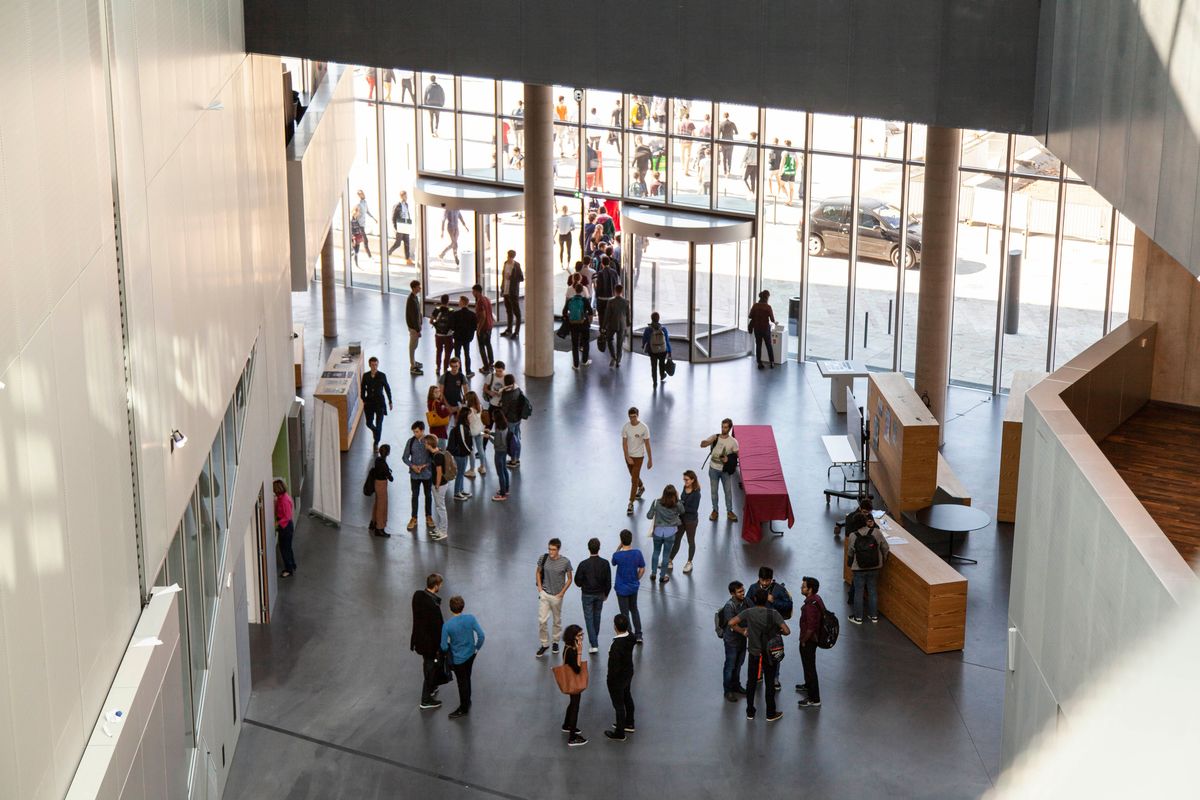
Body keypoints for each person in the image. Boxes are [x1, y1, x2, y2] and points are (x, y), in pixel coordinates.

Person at [729, 585, 790, 722]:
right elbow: (787, 631)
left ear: (755, 599)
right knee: (769, 683)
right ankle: (770, 713)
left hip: (754, 653)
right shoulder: (773, 613)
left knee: (751, 682)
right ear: (767, 599)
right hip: (769, 654)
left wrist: (743, 631)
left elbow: (732, 622)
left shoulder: (749, 612)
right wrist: (775, 632)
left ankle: (750, 712)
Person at [441, 595, 485, 719]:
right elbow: (481, 635)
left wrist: (449, 648)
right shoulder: (470, 619)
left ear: (450, 609)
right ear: (463, 607)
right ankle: (468, 700)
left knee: (462, 682)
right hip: (471, 655)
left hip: (458, 659)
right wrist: (476, 649)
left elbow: (443, 646)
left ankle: (463, 708)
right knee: (467, 677)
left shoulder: (447, 626)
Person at [847, 514, 890, 624]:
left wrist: (850, 563)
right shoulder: (876, 532)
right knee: (872, 591)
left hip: (859, 568)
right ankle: (874, 616)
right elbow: (885, 547)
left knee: (859, 592)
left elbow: (850, 552)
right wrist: (883, 559)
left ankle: (858, 618)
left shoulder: (853, 535)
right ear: (865, 521)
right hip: (875, 567)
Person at [411, 573, 445, 710]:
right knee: (430, 668)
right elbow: (437, 629)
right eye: (440, 584)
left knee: (427, 664)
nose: (441, 587)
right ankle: (426, 699)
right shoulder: (433, 607)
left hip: (419, 639)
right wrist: (440, 647)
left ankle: (432, 687)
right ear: (436, 586)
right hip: (429, 644)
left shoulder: (418, 596)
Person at [535, 538, 573, 657]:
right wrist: (540, 589)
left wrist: (562, 592)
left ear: (558, 549)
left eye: (553, 550)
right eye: (549, 549)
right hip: (545, 594)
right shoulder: (543, 558)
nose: (551, 552)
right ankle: (545, 643)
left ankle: (555, 641)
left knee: (557, 620)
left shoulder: (565, 562)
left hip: (557, 596)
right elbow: (538, 572)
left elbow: (570, 578)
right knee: (542, 620)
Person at [574, 537, 611, 654]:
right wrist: (606, 594)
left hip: (587, 594)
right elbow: (608, 582)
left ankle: (594, 643)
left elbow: (577, 581)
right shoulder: (605, 563)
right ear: (599, 548)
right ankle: (594, 638)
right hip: (600, 594)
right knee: (597, 616)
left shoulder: (583, 564)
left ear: (588, 549)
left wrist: (583, 584)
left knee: (589, 618)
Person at [604, 614, 636, 741]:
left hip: (617, 678)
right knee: (627, 696)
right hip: (628, 672)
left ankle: (620, 732)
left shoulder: (616, 645)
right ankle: (629, 723)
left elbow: (613, 667)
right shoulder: (631, 637)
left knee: (618, 705)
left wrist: (610, 680)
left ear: (615, 626)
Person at [701, 419, 740, 522]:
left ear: (730, 428)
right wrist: (708, 441)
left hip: (725, 471)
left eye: (726, 427)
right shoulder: (715, 437)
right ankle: (715, 511)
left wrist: (728, 459)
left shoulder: (733, 442)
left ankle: (729, 511)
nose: (723, 429)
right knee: (714, 492)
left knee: (728, 492)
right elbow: (703, 444)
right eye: (722, 426)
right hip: (713, 469)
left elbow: (737, 456)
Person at [610, 530, 645, 644]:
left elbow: (613, 562)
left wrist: (619, 547)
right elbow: (642, 569)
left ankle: (629, 634)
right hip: (633, 586)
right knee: (634, 609)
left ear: (621, 540)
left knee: (624, 612)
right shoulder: (637, 553)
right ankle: (639, 634)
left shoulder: (618, 555)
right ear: (631, 539)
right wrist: (637, 578)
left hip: (621, 588)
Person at [797, 576, 826, 708]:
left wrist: (803, 640)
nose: (801, 588)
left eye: (804, 586)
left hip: (809, 641)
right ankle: (808, 685)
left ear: (810, 589)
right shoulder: (817, 599)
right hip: (814, 639)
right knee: (808, 666)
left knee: (810, 668)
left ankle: (814, 699)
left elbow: (810, 627)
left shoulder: (810, 607)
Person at [401, 421, 434, 532]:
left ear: (422, 430)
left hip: (427, 474)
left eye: (417, 431)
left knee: (428, 495)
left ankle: (428, 516)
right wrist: (413, 466)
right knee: (415, 496)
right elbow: (405, 457)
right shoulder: (410, 442)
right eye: (414, 432)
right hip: (414, 475)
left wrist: (425, 466)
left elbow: (434, 457)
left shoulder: (429, 441)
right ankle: (414, 518)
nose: (415, 434)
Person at [719, 581, 750, 701]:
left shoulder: (746, 601)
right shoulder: (729, 606)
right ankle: (728, 691)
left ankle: (736, 685)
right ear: (732, 593)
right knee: (730, 666)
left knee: (738, 664)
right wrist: (743, 631)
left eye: (743, 590)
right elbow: (732, 624)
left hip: (742, 640)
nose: (743, 593)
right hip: (731, 641)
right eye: (740, 592)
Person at [646, 484, 682, 584]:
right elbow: (682, 511)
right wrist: (678, 499)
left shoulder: (656, 502)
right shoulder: (676, 504)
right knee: (666, 555)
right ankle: (662, 577)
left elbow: (649, 516)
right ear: (674, 494)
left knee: (656, 552)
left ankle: (653, 573)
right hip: (670, 533)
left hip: (657, 532)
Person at [621, 407, 652, 516]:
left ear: (637, 415)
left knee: (634, 480)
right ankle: (642, 487)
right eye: (630, 417)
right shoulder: (626, 427)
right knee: (633, 476)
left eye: (634, 416)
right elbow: (624, 444)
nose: (632, 419)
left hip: (639, 457)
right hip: (629, 457)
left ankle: (630, 503)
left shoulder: (644, 428)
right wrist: (627, 457)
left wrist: (650, 459)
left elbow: (647, 444)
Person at [560, 625, 588, 746]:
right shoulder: (572, 651)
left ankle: (567, 725)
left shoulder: (567, 647)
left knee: (572, 704)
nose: (581, 637)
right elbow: (577, 669)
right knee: (575, 706)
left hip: (569, 681)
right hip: (574, 683)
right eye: (579, 635)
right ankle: (572, 737)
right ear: (573, 637)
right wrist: (580, 653)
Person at [669, 470, 702, 573]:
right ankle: (669, 560)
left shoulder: (696, 494)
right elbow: (683, 501)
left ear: (692, 480)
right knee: (676, 539)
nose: (685, 482)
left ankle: (689, 562)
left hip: (691, 521)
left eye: (687, 480)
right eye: (684, 479)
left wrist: (680, 504)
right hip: (682, 519)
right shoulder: (685, 488)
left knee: (690, 541)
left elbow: (693, 509)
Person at [360, 356, 393, 450]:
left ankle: (376, 443)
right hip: (369, 403)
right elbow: (362, 388)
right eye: (372, 365)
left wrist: (390, 401)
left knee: (379, 424)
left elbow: (387, 388)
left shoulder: (382, 375)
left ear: (378, 364)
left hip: (380, 403)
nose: (374, 366)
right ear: (369, 365)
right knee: (369, 423)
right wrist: (364, 399)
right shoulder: (366, 376)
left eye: (376, 364)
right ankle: (375, 431)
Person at [425, 435, 450, 541]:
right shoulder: (436, 453)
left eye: (425, 443)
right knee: (439, 507)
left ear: (429, 444)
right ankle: (440, 528)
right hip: (439, 484)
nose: (424, 445)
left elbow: (439, 472)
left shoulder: (437, 456)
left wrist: (437, 485)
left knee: (441, 508)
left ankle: (443, 531)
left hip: (440, 485)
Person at [499, 374, 525, 467]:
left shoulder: (507, 394)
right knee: (516, 438)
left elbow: (504, 409)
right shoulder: (517, 389)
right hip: (518, 417)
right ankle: (517, 458)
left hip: (510, 419)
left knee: (511, 440)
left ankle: (513, 460)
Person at [369, 444, 394, 537]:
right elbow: (390, 478)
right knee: (382, 506)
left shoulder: (377, 460)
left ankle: (373, 522)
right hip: (382, 484)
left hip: (376, 483)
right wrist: (390, 475)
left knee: (377, 503)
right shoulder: (383, 464)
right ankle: (379, 528)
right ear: (388, 453)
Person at [448, 407, 474, 501]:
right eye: (470, 415)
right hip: (460, 454)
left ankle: (461, 490)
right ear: (465, 416)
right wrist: (469, 450)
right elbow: (463, 441)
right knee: (460, 473)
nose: (472, 416)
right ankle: (456, 493)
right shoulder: (462, 427)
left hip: (463, 453)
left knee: (462, 472)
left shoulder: (464, 425)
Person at [601, 284, 629, 367]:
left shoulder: (610, 301)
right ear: (622, 291)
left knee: (609, 340)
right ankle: (618, 361)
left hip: (612, 324)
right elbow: (628, 314)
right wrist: (627, 324)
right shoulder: (626, 302)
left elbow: (607, 315)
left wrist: (603, 325)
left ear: (614, 291)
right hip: (622, 325)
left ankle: (613, 356)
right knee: (619, 344)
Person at [486, 407, 511, 500]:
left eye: (493, 416)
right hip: (504, 451)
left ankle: (502, 494)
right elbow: (500, 436)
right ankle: (506, 489)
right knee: (504, 470)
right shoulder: (504, 425)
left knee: (500, 473)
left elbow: (496, 443)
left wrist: (488, 437)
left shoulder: (498, 428)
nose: (492, 418)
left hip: (499, 452)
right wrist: (491, 433)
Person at [642, 312, 672, 387]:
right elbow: (667, 341)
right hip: (662, 350)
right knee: (662, 364)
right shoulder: (663, 329)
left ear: (651, 319)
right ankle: (662, 375)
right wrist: (669, 351)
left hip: (652, 350)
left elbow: (644, 340)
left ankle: (655, 382)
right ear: (658, 319)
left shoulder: (648, 329)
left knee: (654, 366)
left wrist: (643, 346)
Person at [566, 285, 593, 369]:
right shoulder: (585, 300)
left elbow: (564, 311)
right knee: (585, 342)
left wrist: (570, 317)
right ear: (582, 291)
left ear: (574, 290)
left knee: (574, 344)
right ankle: (585, 361)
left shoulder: (570, 300)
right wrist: (589, 320)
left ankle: (576, 365)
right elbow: (591, 311)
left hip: (574, 324)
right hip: (584, 323)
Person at [273, 479, 296, 578]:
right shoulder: (283, 498)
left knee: (284, 549)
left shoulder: (284, 500)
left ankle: (288, 569)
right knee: (288, 548)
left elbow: (287, 516)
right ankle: (292, 565)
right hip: (286, 526)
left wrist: (277, 523)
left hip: (285, 527)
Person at [748, 290, 777, 369]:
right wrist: (775, 322)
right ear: (767, 297)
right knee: (769, 346)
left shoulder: (755, 305)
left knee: (758, 345)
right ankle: (771, 362)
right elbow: (772, 319)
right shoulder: (768, 307)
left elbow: (750, 316)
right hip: (765, 329)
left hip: (757, 328)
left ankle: (759, 363)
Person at [451, 296, 477, 378]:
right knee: (467, 354)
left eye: (459, 301)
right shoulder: (472, 315)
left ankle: (459, 371)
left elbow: (452, 326)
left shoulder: (455, 314)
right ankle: (468, 371)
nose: (458, 302)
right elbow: (475, 327)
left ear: (462, 303)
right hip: (467, 338)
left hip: (458, 337)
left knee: (457, 354)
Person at [463, 391, 487, 479]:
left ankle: (472, 470)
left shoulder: (469, 410)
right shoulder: (480, 406)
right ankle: (482, 467)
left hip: (471, 432)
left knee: (471, 451)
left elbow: (465, 421)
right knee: (481, 449)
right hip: (480, 430)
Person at [500, 250, 524, 337]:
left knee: (516, 312)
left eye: (510, 256)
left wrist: (511, 278)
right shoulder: (505, 263)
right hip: (506, 291)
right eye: (508, 256)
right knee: (509, 311)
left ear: (513, 257)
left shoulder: (516, 265)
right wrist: (502, 288)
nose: (508, 258)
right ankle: (509, 329)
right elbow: (503, 277)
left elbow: (521, 278)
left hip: (513, 292)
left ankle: (516, 332)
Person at [472, 284, 494, 373]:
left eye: (473, 291)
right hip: (490, 325)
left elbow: (483, 316)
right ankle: (491, 363)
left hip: (484, 327)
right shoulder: (487, 299)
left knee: (481, 347)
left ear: (477, 292)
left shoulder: (480, 301)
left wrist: (479, 329)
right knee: (488, 344)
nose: (472, 293)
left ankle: (485, 367)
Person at [430, 295, 455, 375]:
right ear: (448, 301)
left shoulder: (436, 310)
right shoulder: (451, 311)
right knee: (447, 352)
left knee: (439, 351)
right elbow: (452, 324)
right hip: (448, 335)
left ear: (441, 301)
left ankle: (438, 368)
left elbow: (431, 321)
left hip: (438, 335)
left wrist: (436, 325)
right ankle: (445, 368)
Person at [405, 280, 425, 375]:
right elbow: (413, 316)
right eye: (418, 287)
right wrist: (417, 329)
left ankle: (413, 361)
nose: (420, 288)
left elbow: (418, 313)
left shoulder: (414, 298)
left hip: (416, 327)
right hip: (414, 328)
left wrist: (420, 323)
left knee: (414, 345)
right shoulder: (411, 300)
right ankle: (412, 366)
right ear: (414, 288)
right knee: (412, 346)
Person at [426, 384, 451, 449]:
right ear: (432, 393)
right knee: (442, 450)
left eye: (439, 391)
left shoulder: (430, 402)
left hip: (433, 429)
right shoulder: (436, 403)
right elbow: (443, 415)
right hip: (440, 430)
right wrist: (446, 409)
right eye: (436, 392)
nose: (438, 393)